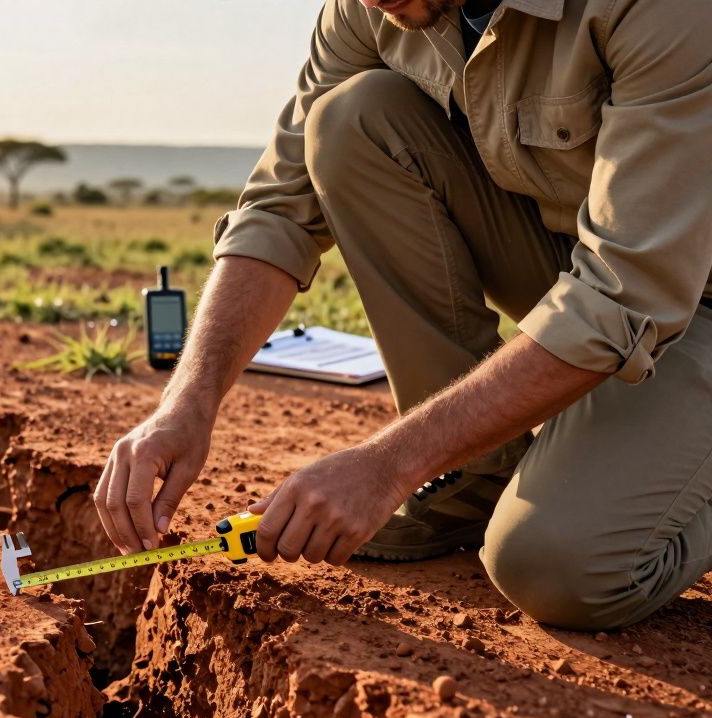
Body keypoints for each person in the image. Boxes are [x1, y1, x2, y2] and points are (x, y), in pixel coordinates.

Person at [93, 0, 712, 631]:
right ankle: (469, 480)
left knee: (557, 568)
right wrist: (188, 401)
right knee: (349, 121)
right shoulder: (373, 5)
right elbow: (280, 207)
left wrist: (390, 464)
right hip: (582, 261)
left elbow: (623, 292)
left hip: (678, 290)